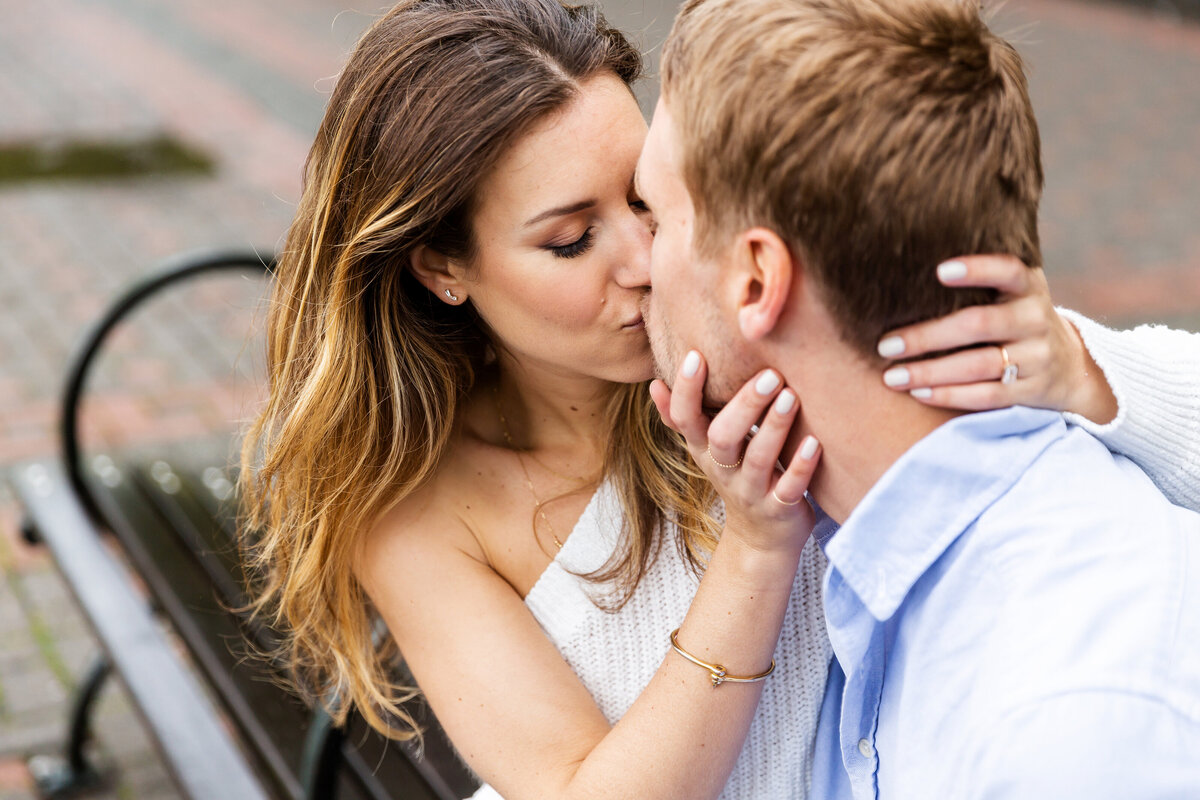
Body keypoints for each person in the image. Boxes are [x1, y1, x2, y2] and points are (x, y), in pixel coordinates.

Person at [239, 1, 1200, 798]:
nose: (644, 262)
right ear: (443, 266)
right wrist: (752, 548)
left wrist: (1081, 363)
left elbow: (883, 326)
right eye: (572, 240)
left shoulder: (740, 344)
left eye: (649, 201)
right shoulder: (419, 510)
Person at [638, 0, 1200, 797]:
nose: (635, 266)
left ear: (757, 279)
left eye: (654, 217)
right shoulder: (852, 550)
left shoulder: (1075, 735)